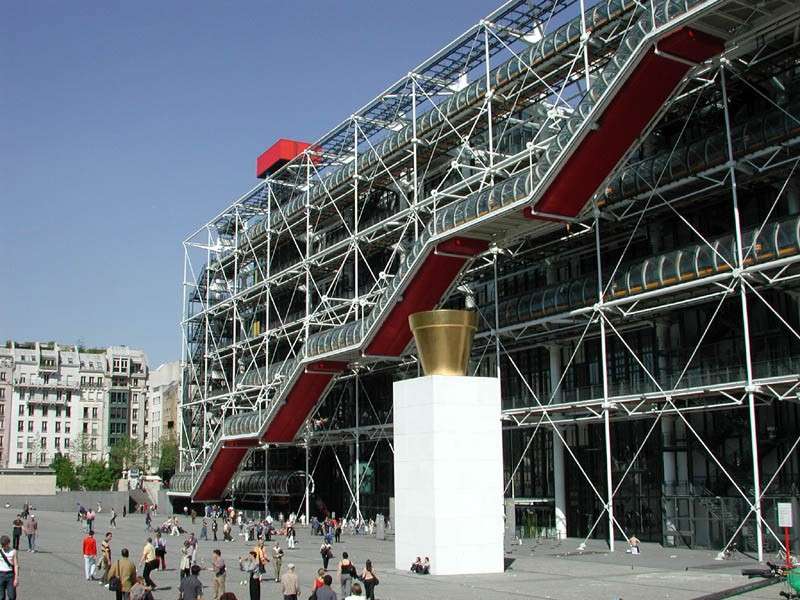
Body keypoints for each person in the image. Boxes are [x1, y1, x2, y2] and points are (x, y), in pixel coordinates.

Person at [0, 535, 19, 600]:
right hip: (0, 575)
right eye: (2, 545)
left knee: (12, 596)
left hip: (10, 575)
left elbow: (16, 565)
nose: (3, 547)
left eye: (5, 545)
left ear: (8, 543)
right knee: (1, 597)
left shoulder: (13, 551)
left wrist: (16, 578)